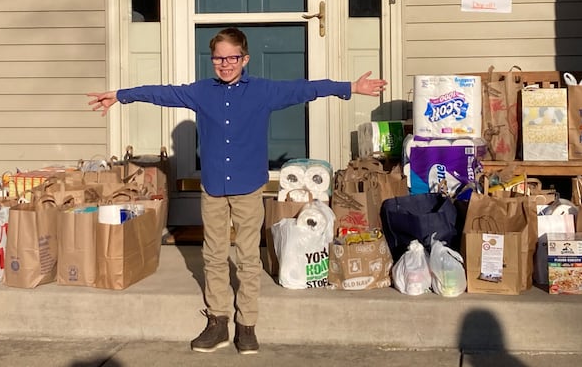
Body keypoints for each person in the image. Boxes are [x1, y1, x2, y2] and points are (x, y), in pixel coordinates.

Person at [87, 26, 387, 355]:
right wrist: (121, 95)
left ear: (244, 58)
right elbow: (163, 93)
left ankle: (247, 324)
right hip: (214, 187)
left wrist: (350, 87)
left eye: (232, 57)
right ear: (212, 60)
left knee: (246, 257)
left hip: (248, 187)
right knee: (214, 255)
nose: (225, 64)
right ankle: (218, 321)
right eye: (218, 58)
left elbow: (304, 89)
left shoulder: (263, 91)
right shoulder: (201, 92)